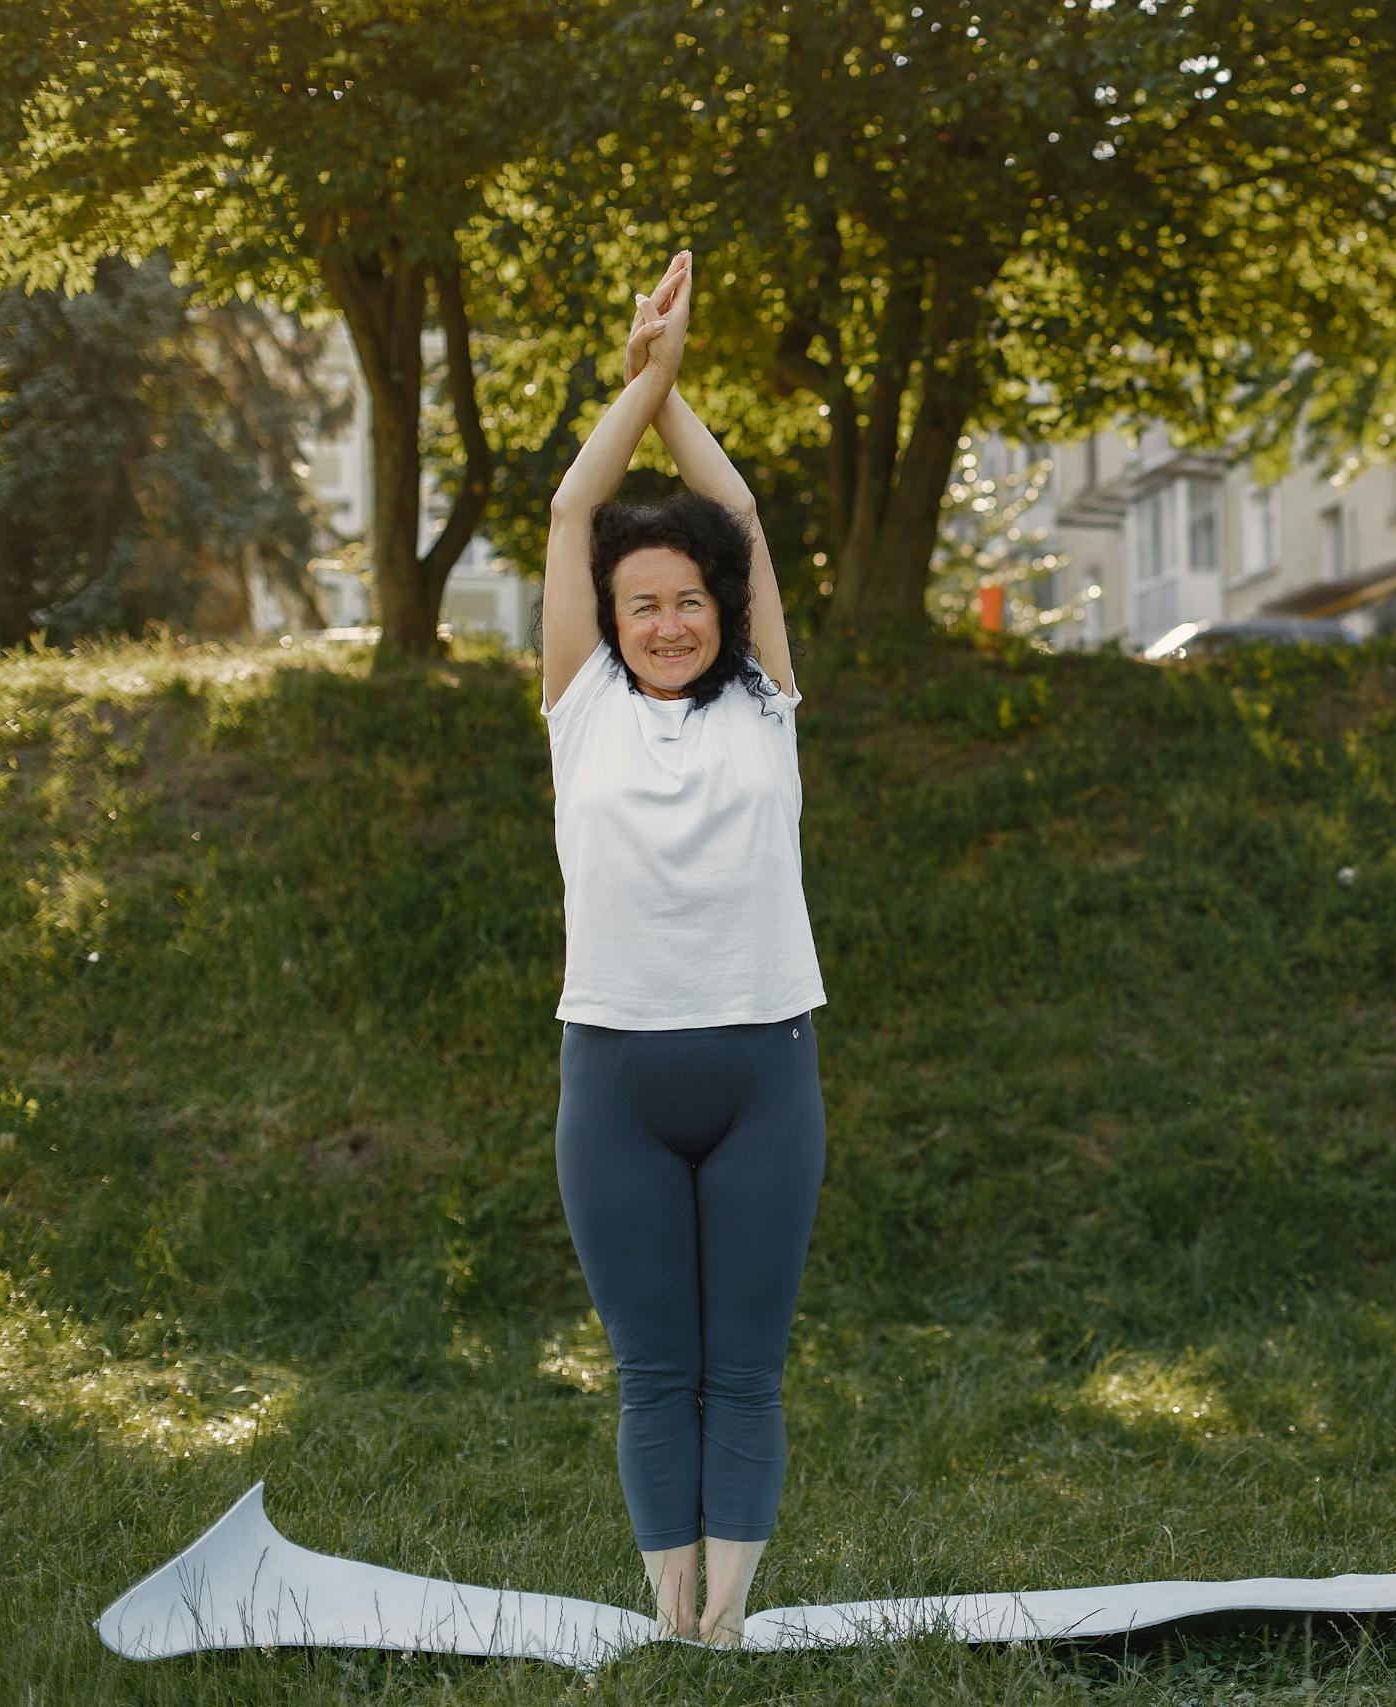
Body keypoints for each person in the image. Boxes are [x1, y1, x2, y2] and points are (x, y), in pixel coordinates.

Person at [542, 251, 829, 1646]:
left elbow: (744, 514)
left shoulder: (765, 705)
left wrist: (679, 393)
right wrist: (639, 381)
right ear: (612, 619)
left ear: (724, 612)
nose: (666, 621)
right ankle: (672, 1623)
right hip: (617, 1081)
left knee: (746, 1371)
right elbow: (573, 504)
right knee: (658, 1371)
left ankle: (730, 1620)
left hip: (765, 1073)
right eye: (640, 602)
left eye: (689, 601)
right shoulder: (580, 704)